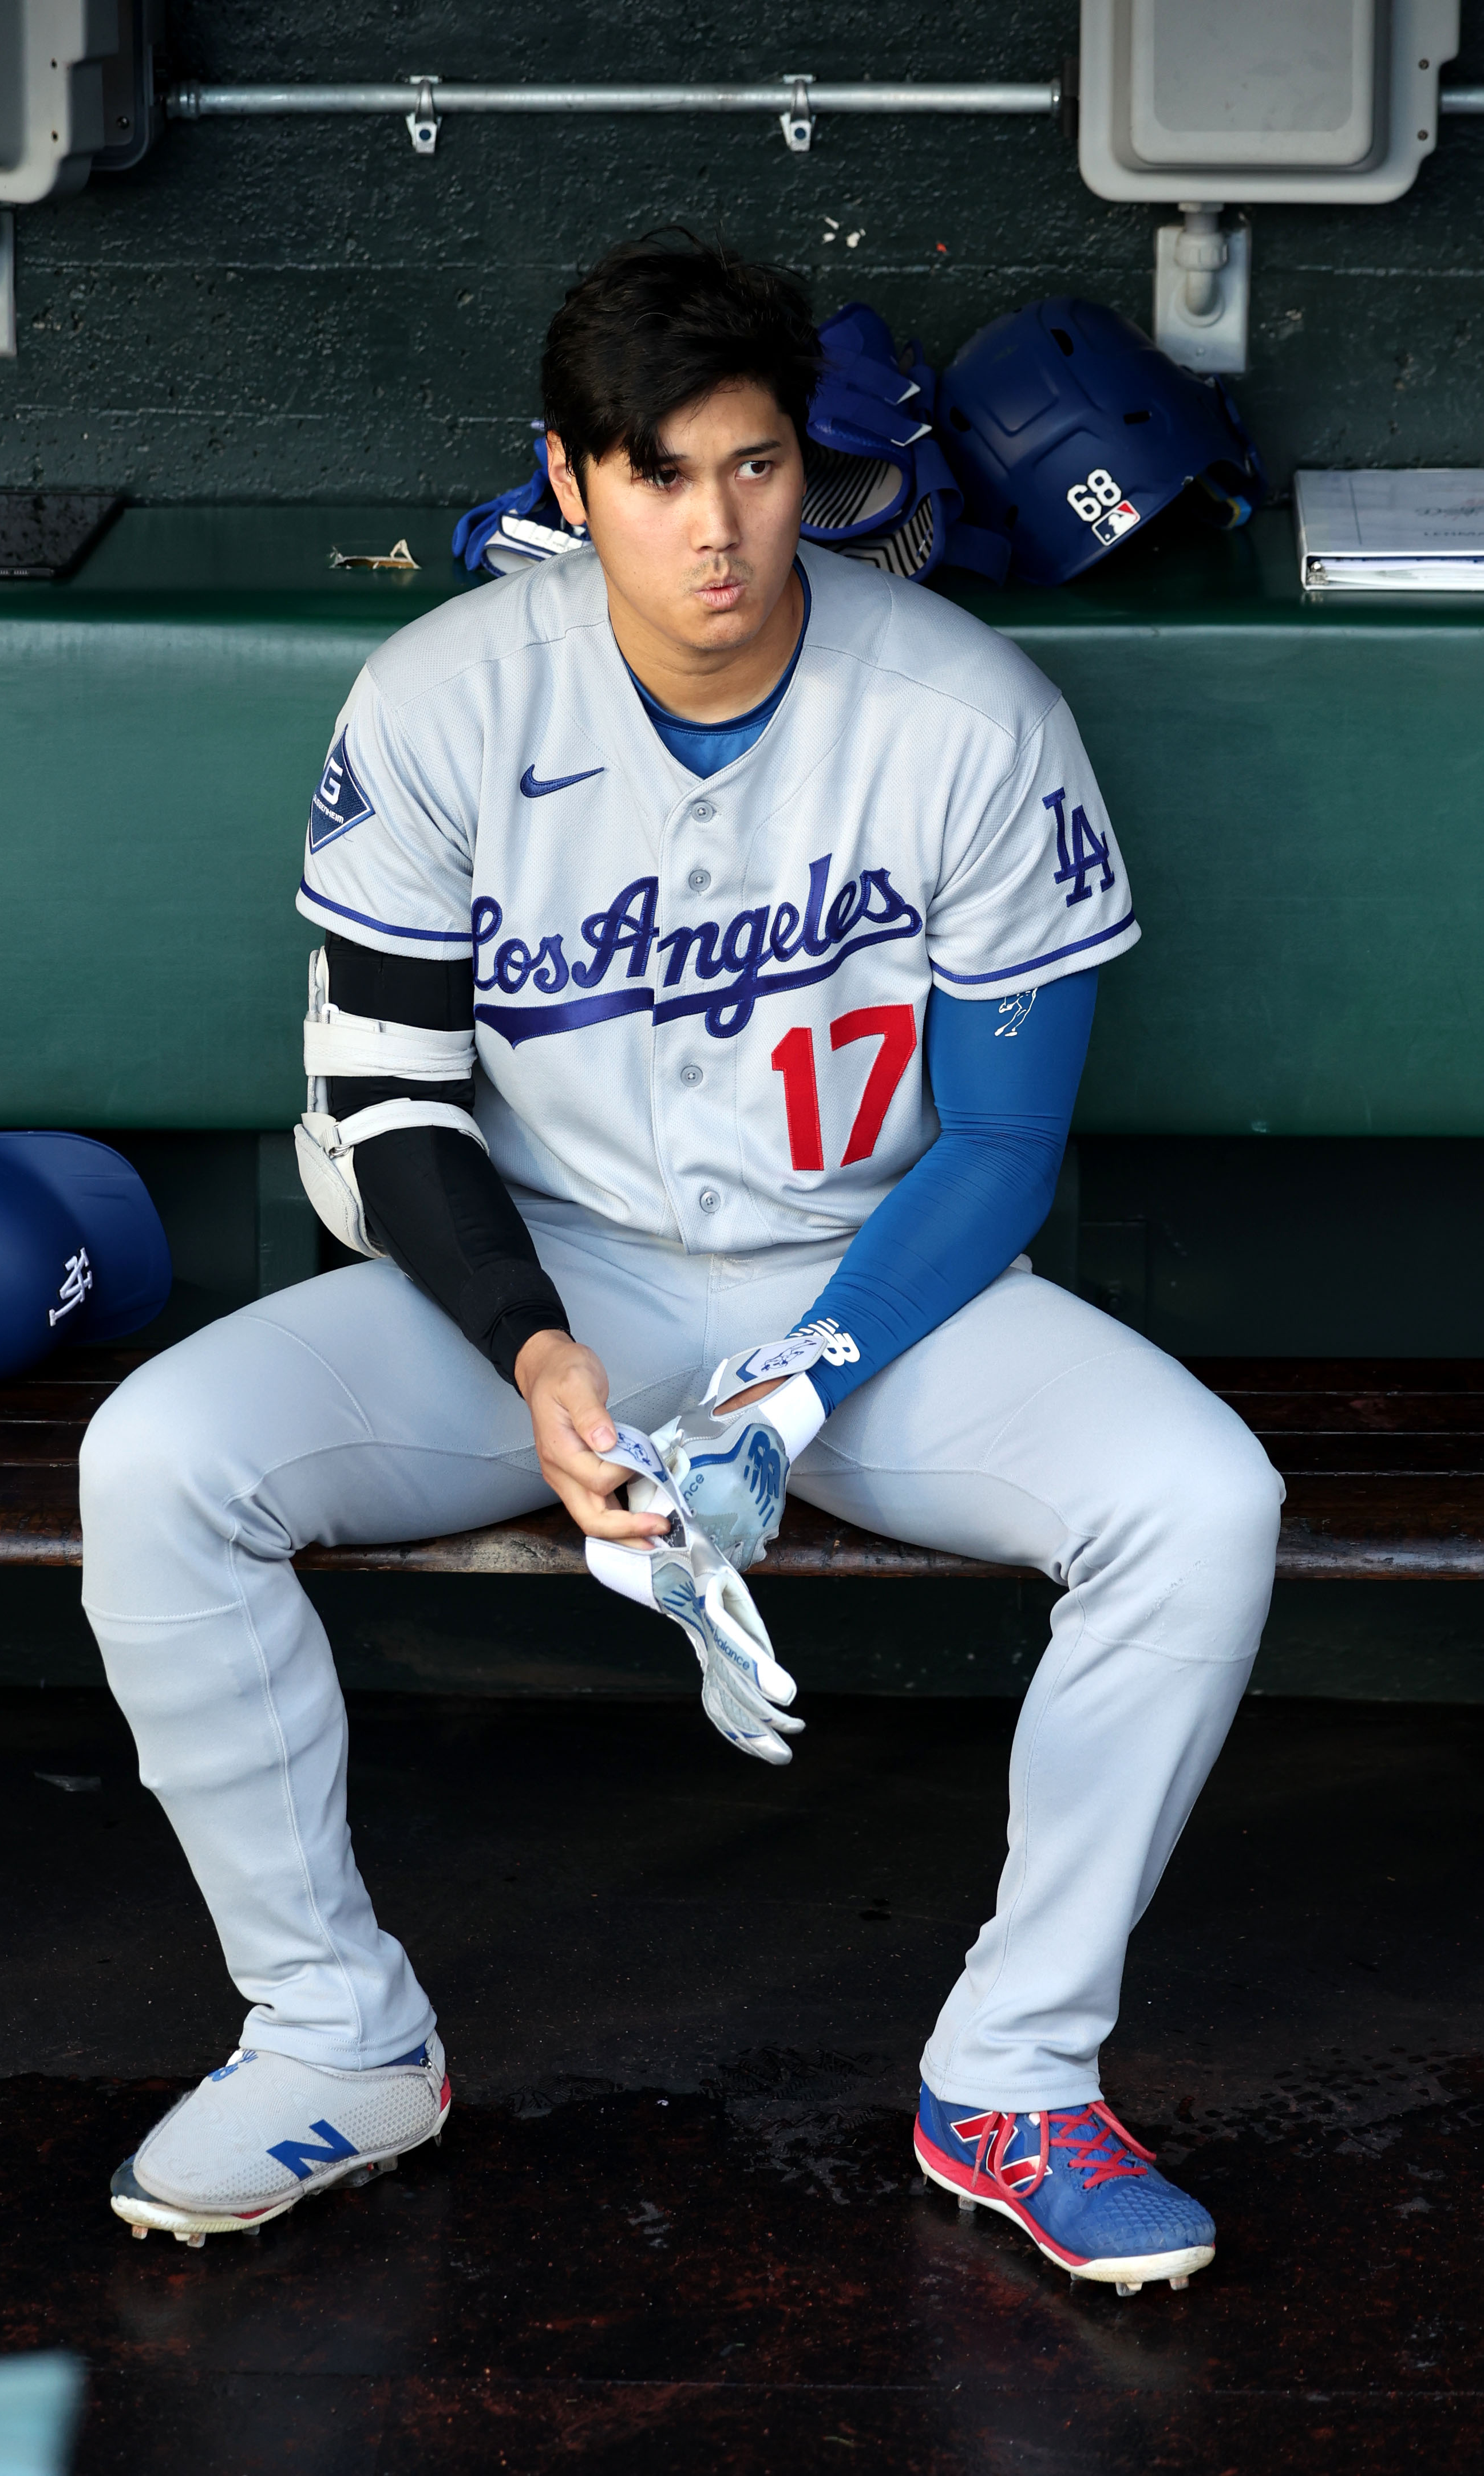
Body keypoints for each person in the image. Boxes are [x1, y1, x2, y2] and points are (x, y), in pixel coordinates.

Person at [81, 235, 1282, 2289]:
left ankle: (1012, 2075)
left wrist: (796, 1378)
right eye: (655, 476)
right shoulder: (448, 694)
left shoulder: (965, 713)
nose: (711, 528)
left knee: (1201, 1503)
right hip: (549, 1280)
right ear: (568, 483)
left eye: (750, 467)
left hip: (876, 1287)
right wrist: (541, 1360)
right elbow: (390, 1105)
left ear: (804, 467)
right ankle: (334, 2039)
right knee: (157, 1462)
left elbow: (995, 1147)